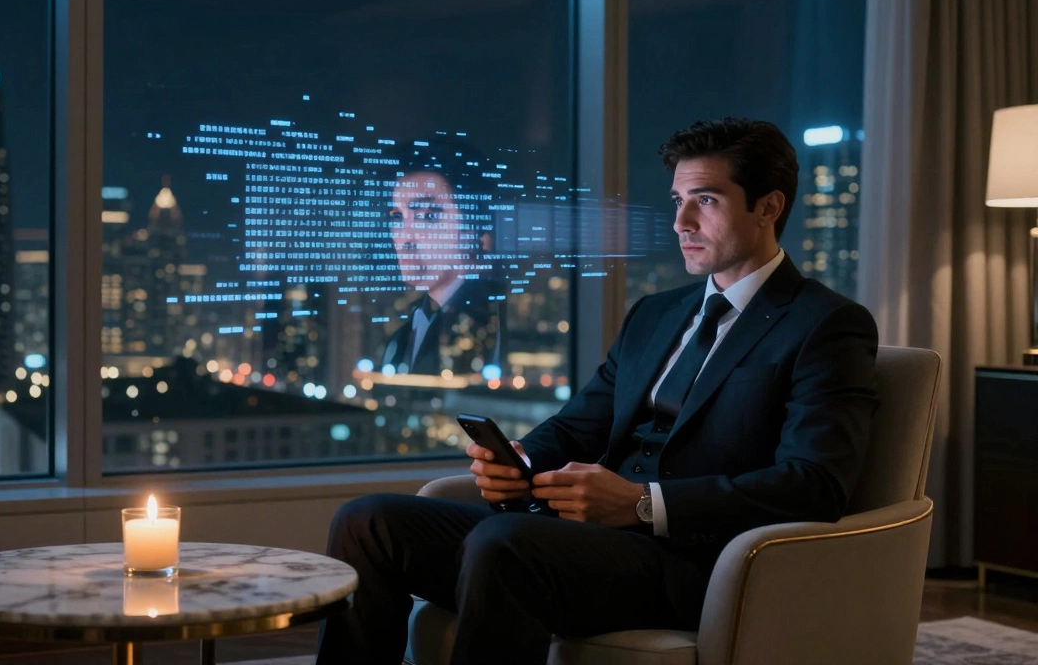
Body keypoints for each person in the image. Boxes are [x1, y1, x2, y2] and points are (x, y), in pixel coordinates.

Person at [317, 118, 879, 665]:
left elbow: (815, 485)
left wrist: (641, 504)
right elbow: (580, 422)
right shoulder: (655, 315)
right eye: (676, 199)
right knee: (368, 522)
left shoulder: (825, 324)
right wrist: (520, 458)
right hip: (579, 543)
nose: (681, 221)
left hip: (692, 560)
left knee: (506, 543)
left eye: (704, 200)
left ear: (768, 206)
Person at [378, 137, 506, 376]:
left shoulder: (492, 326)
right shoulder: (405, 331)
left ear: (476, 229)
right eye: (397, 217)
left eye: (427, 216)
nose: (403, 237)